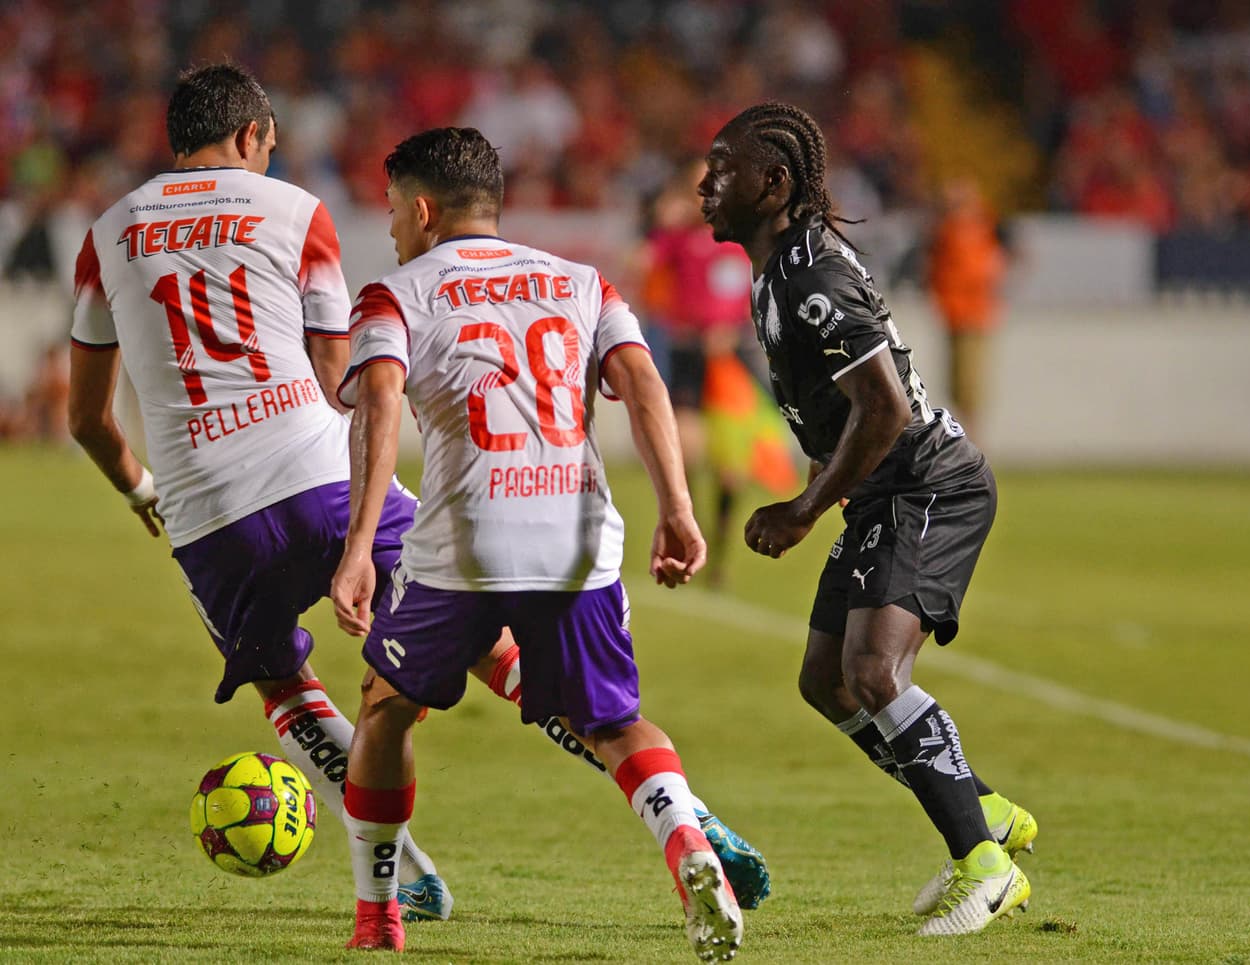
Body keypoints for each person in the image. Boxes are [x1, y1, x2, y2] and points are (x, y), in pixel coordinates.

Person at [66, 64, 768, 926]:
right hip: (322, 470)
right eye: (272, 146)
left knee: (291, 686)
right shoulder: (295, 212)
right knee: (500, 648)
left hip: (205, 510)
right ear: (252, 137)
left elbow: (87, 418)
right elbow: (341, 379)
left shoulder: (106, 233)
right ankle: (683, 815)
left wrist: (142, 489)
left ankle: (398, 879)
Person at [329, 127, 744, 960]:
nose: (389, 231)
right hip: (576, 543)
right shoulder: (585, 282)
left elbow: (378, 402)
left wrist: (358, 545)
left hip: (462, 548)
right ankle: (688, 847)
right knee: (613, 721)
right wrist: (678, 508)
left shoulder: (395, 292)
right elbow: (642, 383)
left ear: (421, 209)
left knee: (384, 703)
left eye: (390, 213)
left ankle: (378, 917)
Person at [697, 102, 1036, 936]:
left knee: (877, 669)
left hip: (928, 483)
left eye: (722, 169)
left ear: (774, 184)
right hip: (883, 490)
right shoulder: (777, 272)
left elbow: (882, 407)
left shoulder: (812, 272)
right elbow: (837, 412)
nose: (706, 184)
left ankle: (986, 867)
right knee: (826, 679)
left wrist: (806, 509)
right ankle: (984, 810)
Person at [642, 160, 797, 586]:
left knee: (732, 467)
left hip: (730, 362)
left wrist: (731, 330)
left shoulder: (736, 241)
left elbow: (750, 297)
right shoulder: (676, 239)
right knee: (686, 448)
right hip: (690, 354)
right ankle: (685, 523)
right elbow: (644, 264)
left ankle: (721, 547)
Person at [925, 177, 1008, 444]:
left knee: (968, 387)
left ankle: (972, 445)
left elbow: (975, 272)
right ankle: (969, 443)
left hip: (970, 315)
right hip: (957, 315)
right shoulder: (956, 230)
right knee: (959, 387)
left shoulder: (970, 231)